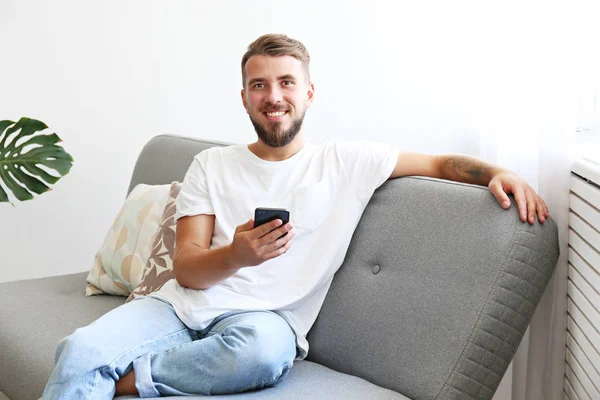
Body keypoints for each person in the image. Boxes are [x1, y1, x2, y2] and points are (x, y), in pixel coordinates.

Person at [41, 33, 548, 399]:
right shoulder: (212, 165)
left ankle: (131, 383)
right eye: (259, 85)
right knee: (81, 351)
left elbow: (440, 164)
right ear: (244, 97)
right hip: (179, 307)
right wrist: (237, 254)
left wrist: (500, 172)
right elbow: (189, 271)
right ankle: (103, 376)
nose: (274, 96)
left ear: (308, 92)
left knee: (261, 355)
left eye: (286, 82)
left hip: (265, 322)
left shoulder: (346, 162)